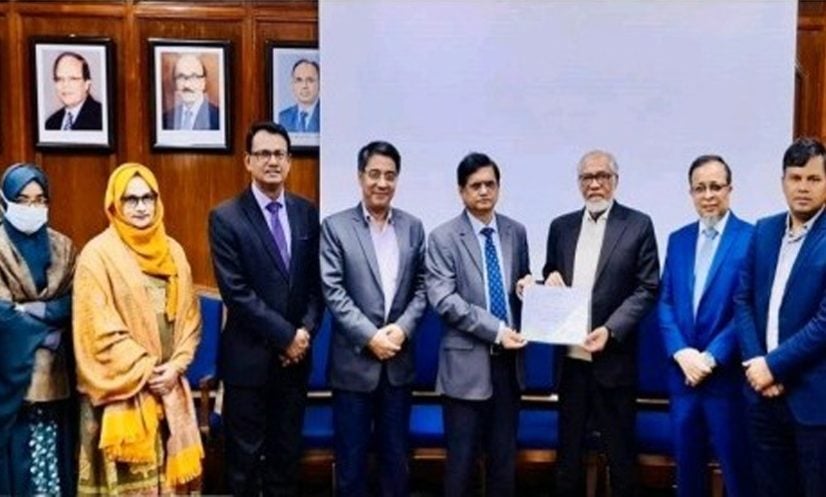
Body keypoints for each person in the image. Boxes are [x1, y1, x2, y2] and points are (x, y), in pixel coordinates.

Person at [73, 163, 203, 495]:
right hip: (123, 390)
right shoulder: (97, 256)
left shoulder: (174, 252)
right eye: (131, 199)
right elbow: (96, 330)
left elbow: (190, 319)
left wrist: (175, 367)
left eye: (148, 197)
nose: (142, 207)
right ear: (114, 203)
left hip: (168, 386)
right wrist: (147, 370)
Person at [209, 121, 323, 496]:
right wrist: (287, 336)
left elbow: (315, 286)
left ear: (289, 161)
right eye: (263, 154)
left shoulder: (306, 212)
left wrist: (303, 335)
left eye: (279, 154)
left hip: (294, 364)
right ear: (248, 161)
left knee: (285, 461)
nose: (272, 161)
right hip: (248, 363)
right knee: (243, 465)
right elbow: (236, 293)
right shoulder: (226, 217)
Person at [542, 150, 659, 497]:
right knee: (568, 460)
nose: (594, 184)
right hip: (571, 364)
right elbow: (551, 271)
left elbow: (648, 287)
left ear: (615, 181)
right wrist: (550, 278)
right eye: (587, 178)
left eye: (602, 176)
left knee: (621, 459)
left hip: (614, 362)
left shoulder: (638, 225)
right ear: (579, 183)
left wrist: (610, 330)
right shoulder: (560, 227)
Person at [320, 141, 427, 497]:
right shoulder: (335, 227)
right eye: (375, 174)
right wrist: (371, 337)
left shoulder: (413, 227)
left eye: (390, 176)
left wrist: (402, 329)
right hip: (354, 366)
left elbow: (423, 287)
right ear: (360, 177)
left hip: (398, 364)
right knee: (351, 465)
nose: (382, 183)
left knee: (395, 462)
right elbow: (333, 291)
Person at [426, 152, 530, 497]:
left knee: (504, 465)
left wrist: (528, 286)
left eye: (490, 184)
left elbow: (521, 283)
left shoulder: (516, 231)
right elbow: (445, 300)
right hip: (465, 368)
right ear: (461, 191)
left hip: (509, 367)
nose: (484, 191)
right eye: (475, 186)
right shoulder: (442, 238)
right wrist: (496, 331)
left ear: (498, 187)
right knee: (461, 466)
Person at [658, 155, 756, 497]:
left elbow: (748, 308)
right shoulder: (678, 239)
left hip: (726, 378)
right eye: (700, 188)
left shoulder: (751, 238)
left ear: (730, 189)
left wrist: (711, 357)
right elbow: (665, 302)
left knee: (738, 472)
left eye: (716, 186)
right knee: (687, 474)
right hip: (683, 376)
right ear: (691, 193)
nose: (708, 195)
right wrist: (681, 352)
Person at [735, 137, 826, 497]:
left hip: (814, 401)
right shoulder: (764, 230)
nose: (803, 187)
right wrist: (757, 363)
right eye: (795, 178)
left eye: (813, 179)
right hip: (763, 396)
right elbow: (742, 300)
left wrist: (773, 366)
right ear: (783, 181)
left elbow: (824, 322)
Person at [0, 163, 76, 496]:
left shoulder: (63, 246)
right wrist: (46, 333)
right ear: (5, 201)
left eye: (40, 199)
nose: (32, 207)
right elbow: (2, 313)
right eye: (23, 200)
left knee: (56, 457)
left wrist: (39, 309)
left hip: (57, 376)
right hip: (11, 377)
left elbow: (78, 299)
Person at [45, 52, 103, 130]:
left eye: (73, 79)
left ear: (87, 84)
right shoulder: (51, 123)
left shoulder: (102, 117)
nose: (65, 85)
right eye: (60, 79)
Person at [162, 54, 220, 131]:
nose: (187, 85)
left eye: (194, 77)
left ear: (203, 82)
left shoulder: (219, 118)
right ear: (175, 82)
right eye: (181, 77)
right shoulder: (165, 119)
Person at [278, 59, 320, 133]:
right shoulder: (282, 118)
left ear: (319, 84)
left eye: (310, 80)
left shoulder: (328, 116)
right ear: (292, 85)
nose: (304, 86)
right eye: (299, 80)